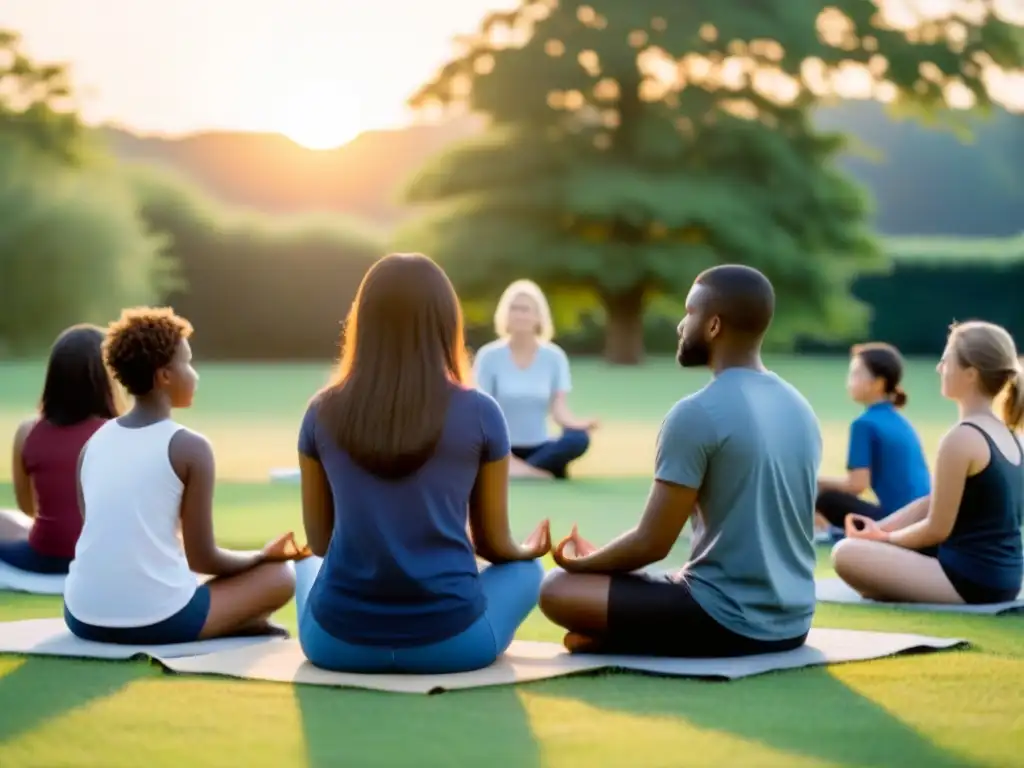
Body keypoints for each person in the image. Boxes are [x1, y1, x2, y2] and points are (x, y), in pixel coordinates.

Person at [539, 265, 821, 658]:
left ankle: (630, 639)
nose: (680, 325)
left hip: (727, 620)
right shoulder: (800, 406)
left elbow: (651, 543)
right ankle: (630, 637)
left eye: (689, 312)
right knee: (665, 581)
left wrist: (583, 564)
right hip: (793, 625)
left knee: (556, 589)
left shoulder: (696, 413)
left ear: (714, 326)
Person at [296, 253, 549, 675]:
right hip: (455, 645)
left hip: (335, 644)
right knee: (529, 570)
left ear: (365, 321)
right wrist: (527, 549)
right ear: (446, 321)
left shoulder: (321, 411)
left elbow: (321, 544)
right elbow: (492, 544)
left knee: (303, 561)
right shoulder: (482, 413)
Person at [63, 307, 302, 645]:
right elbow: (203, 558)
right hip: (157, 620)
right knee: (280, 576)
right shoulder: (190, 447)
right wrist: (263, 556)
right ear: (164, 376)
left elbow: (109, 538)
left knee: (188, 578)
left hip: (82, 615)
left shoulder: (92, 445)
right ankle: (235, 620)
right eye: (187, 363)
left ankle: (233, 618)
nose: (195, 374)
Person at [833, 321, 1023, 605]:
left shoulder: (962, 438)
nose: (939, 368)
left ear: (970, 373)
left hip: (971, 579)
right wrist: (880, 529)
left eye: (946, 360)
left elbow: (936, 529)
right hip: (1004, 576)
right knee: (860, 547)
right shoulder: (1009, 435)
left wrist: (885, 542)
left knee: (845, 554)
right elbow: (933, 502)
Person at [0, 325, 121, 577]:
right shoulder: (122, 434)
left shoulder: (28, 431)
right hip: (103, 562)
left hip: (44, 560)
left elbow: (29, 508)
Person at [473, 279, 597, 479]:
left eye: (526, 309)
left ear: (538, 316)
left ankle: (523, 471)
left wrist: (578, 424)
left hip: (539, 446)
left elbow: (559, 409)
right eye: (514, 308)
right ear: (504, 314)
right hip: (500, 447)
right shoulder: (489, 356)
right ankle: (533, 470)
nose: (520, 314)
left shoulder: (554, 357)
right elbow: (481, 412)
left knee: (578, 439)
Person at [816, 343, 931, 532]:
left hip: (897, 521)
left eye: (856, 374)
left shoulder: (864, 424)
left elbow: (857, 485)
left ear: (878, 383)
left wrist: (814, 481)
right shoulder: (900, 420)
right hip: (922, 517)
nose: (849, 381)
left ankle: (825, 533)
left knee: (826, 499)